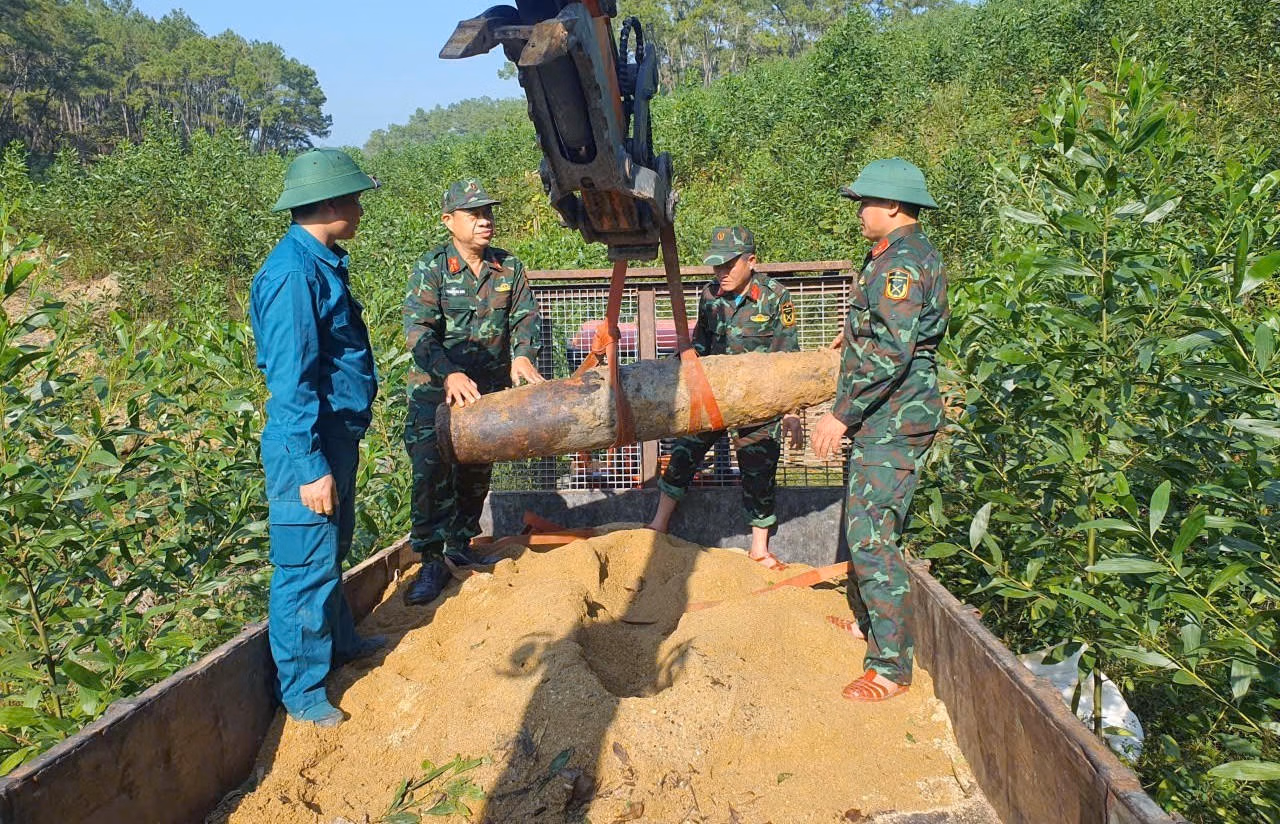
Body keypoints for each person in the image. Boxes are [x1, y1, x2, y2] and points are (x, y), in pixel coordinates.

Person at [249, 148, 386, 728]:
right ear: (329, 204)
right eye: (354, 198)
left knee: (330, 552)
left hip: (332, 437)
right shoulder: (292, 275)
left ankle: (340, 645)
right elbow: (290, 382)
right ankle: (303, 694)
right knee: (305, 566)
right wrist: (310, 467)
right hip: (305, 445)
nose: (359, 209)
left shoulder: (319, 263)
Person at [811, 158, 949, 703]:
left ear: (892, 205)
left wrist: (840, 413)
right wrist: (850, 339)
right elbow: (888, 331)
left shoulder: (902, 264)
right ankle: (873, 627)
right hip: (886, 417)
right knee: (867, 526)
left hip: (894, 418)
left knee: (871, 537)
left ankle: (890, 667)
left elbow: (894, 350)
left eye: (866, 201)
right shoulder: (898, 256)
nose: (860, 211)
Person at [402, 179, 544, 605]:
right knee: (431, 477)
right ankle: (431, 561)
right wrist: (449, 374)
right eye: (474, 214)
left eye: (488, 213)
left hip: (486, 399)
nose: (485, 221)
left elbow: (524, 318)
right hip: (437, 398)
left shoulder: (508, 266)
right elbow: (419, 332)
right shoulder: (432, 268)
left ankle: (460, 546)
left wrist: (522, 356)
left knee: (475, 475)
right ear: (449, 221)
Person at [647, 226, 804, 567]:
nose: (722, 272)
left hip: (758, 401)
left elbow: (788, 360)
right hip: (713, 397)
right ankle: (656, 527)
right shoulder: (709, 296)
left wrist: (792, 411)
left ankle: (759, 550)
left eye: (729, 265)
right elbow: (700, 347)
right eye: (717, 265)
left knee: (759, 467)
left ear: (751, 261)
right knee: (683, 453)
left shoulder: (776, 298)